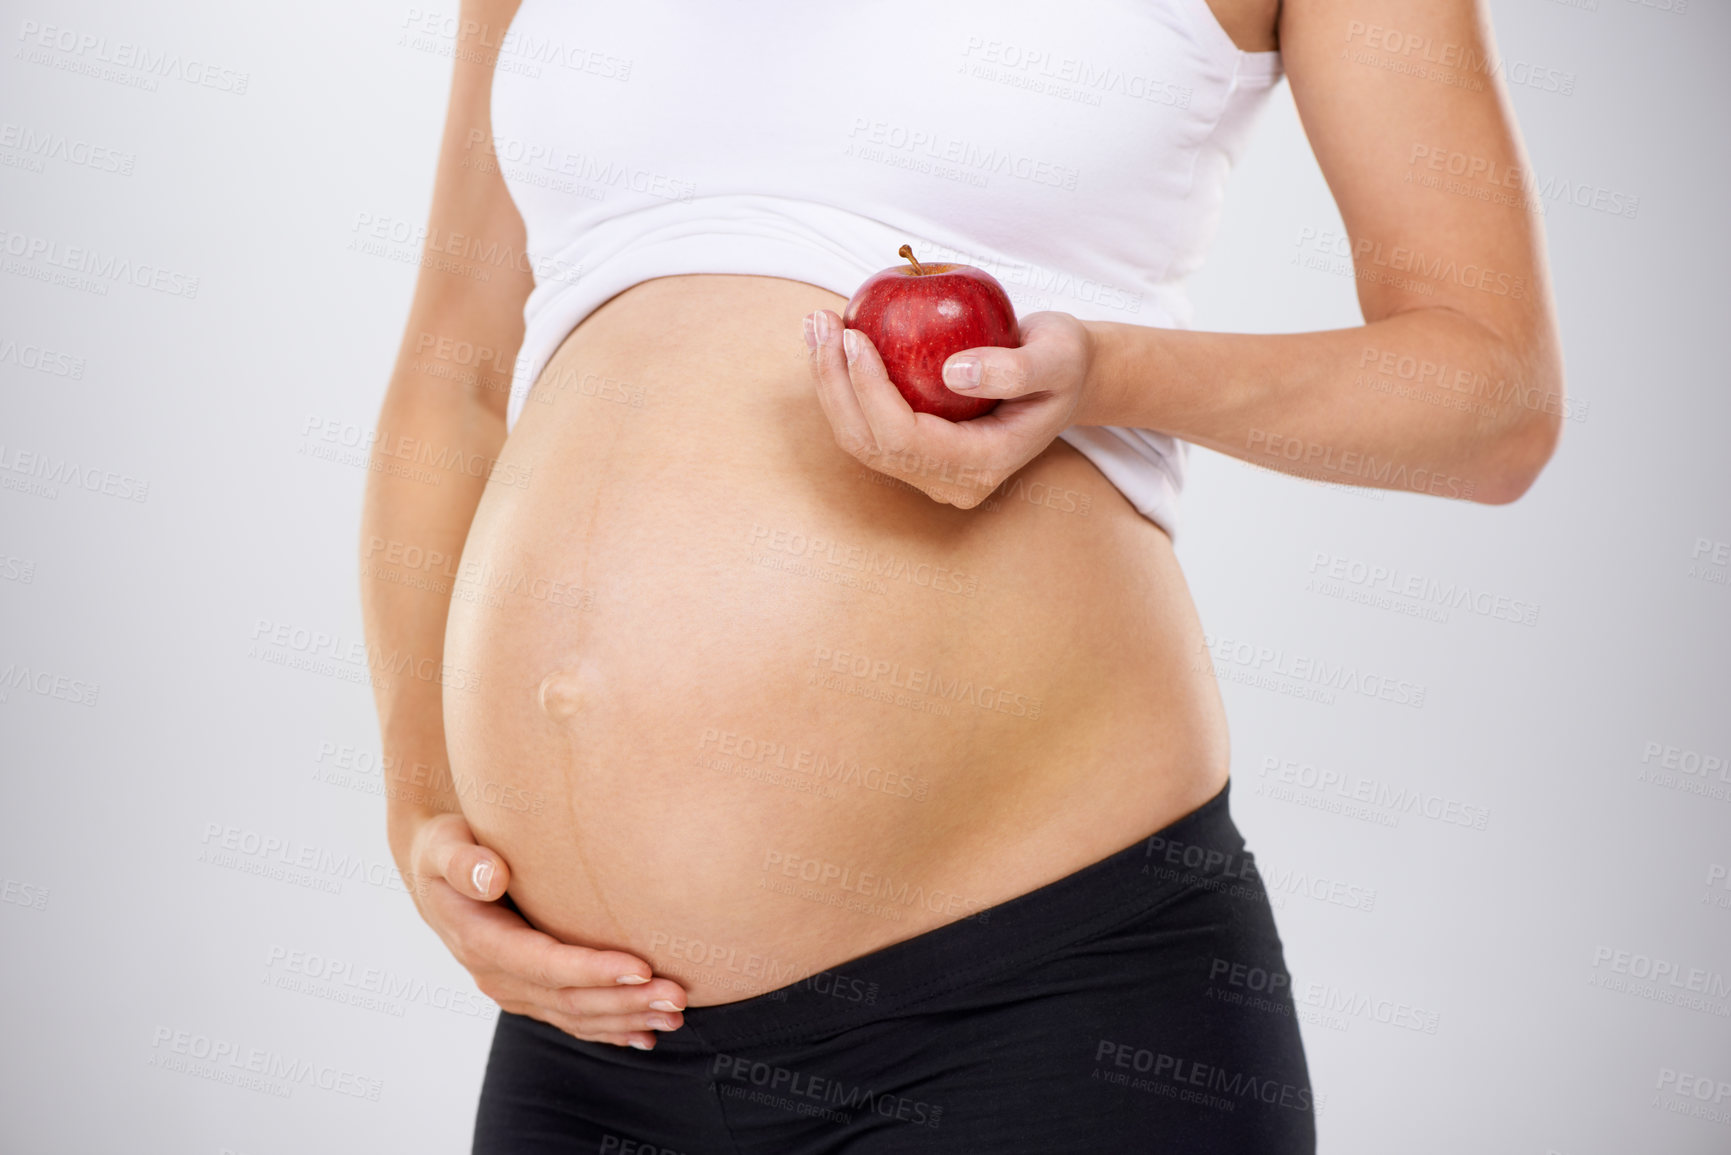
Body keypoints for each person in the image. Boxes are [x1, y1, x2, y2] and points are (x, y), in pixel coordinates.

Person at [360, 0, 1562, 1149]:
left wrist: (1107, 377)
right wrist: (424, 807)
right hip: (591, 1050)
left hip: (1035, 1011)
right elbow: (454, 371)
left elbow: (1492, 397)